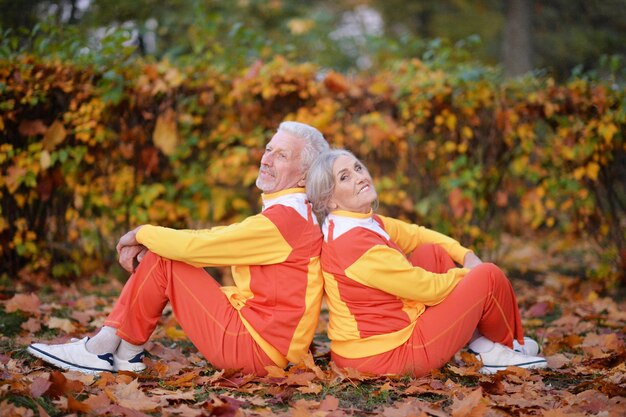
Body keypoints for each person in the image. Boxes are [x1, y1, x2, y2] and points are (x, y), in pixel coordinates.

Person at [27, 121, 330, 375]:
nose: (266, 159)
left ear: (304, 175)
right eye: (268, 149)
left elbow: (201, 245)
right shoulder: (295, 213)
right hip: (268, 345)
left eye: (281, 156)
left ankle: (101, 348)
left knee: (166, 258)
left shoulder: (285, 220)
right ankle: (124, 354)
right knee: (166, 257)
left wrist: (142, 233)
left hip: (255, 350)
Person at [305, 149, 547, 375]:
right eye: (345, 177)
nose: (359, 177)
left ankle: (482, 345)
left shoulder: (360, 222)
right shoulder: (353, 245)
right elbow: (428, 290)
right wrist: (471, 275)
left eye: (358, 168)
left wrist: (465, 255)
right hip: (384, 354)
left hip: (374, 346)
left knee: (431, 253)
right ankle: (500, 349)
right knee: (489, 275)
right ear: (329, 201)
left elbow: (417, 234)